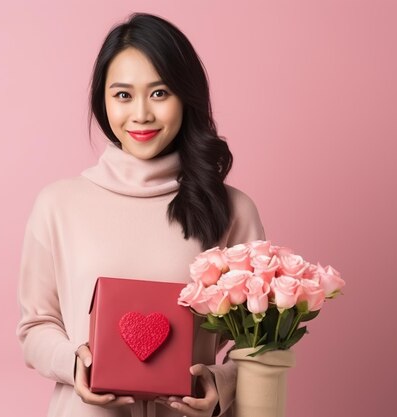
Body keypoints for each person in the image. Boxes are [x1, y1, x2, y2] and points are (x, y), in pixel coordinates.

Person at [16, 12, 265, 417]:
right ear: (103, 100)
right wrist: (75, 363)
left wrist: (221, 383)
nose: (142, 115)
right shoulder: (58, 205)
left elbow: (258, 340)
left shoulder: (232, 209)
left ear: (186, 97)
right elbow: (35, 327)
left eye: (160, 93)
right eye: (123, 95)